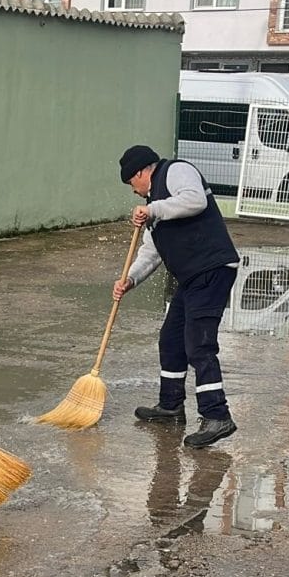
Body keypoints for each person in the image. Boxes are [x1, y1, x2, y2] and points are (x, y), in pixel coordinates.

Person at [113, 145, 239, 449]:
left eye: (131, 183)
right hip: (191, 277)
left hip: (212, 269)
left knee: (198, 343)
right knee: (171, 339)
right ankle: (170, 406)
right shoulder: (153, 206)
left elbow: (195, 200)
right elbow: (151, 252)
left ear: (141, 172)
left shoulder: (175, 171)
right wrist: (130, 279)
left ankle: (217, 416)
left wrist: (153, 209)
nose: (133, 191)